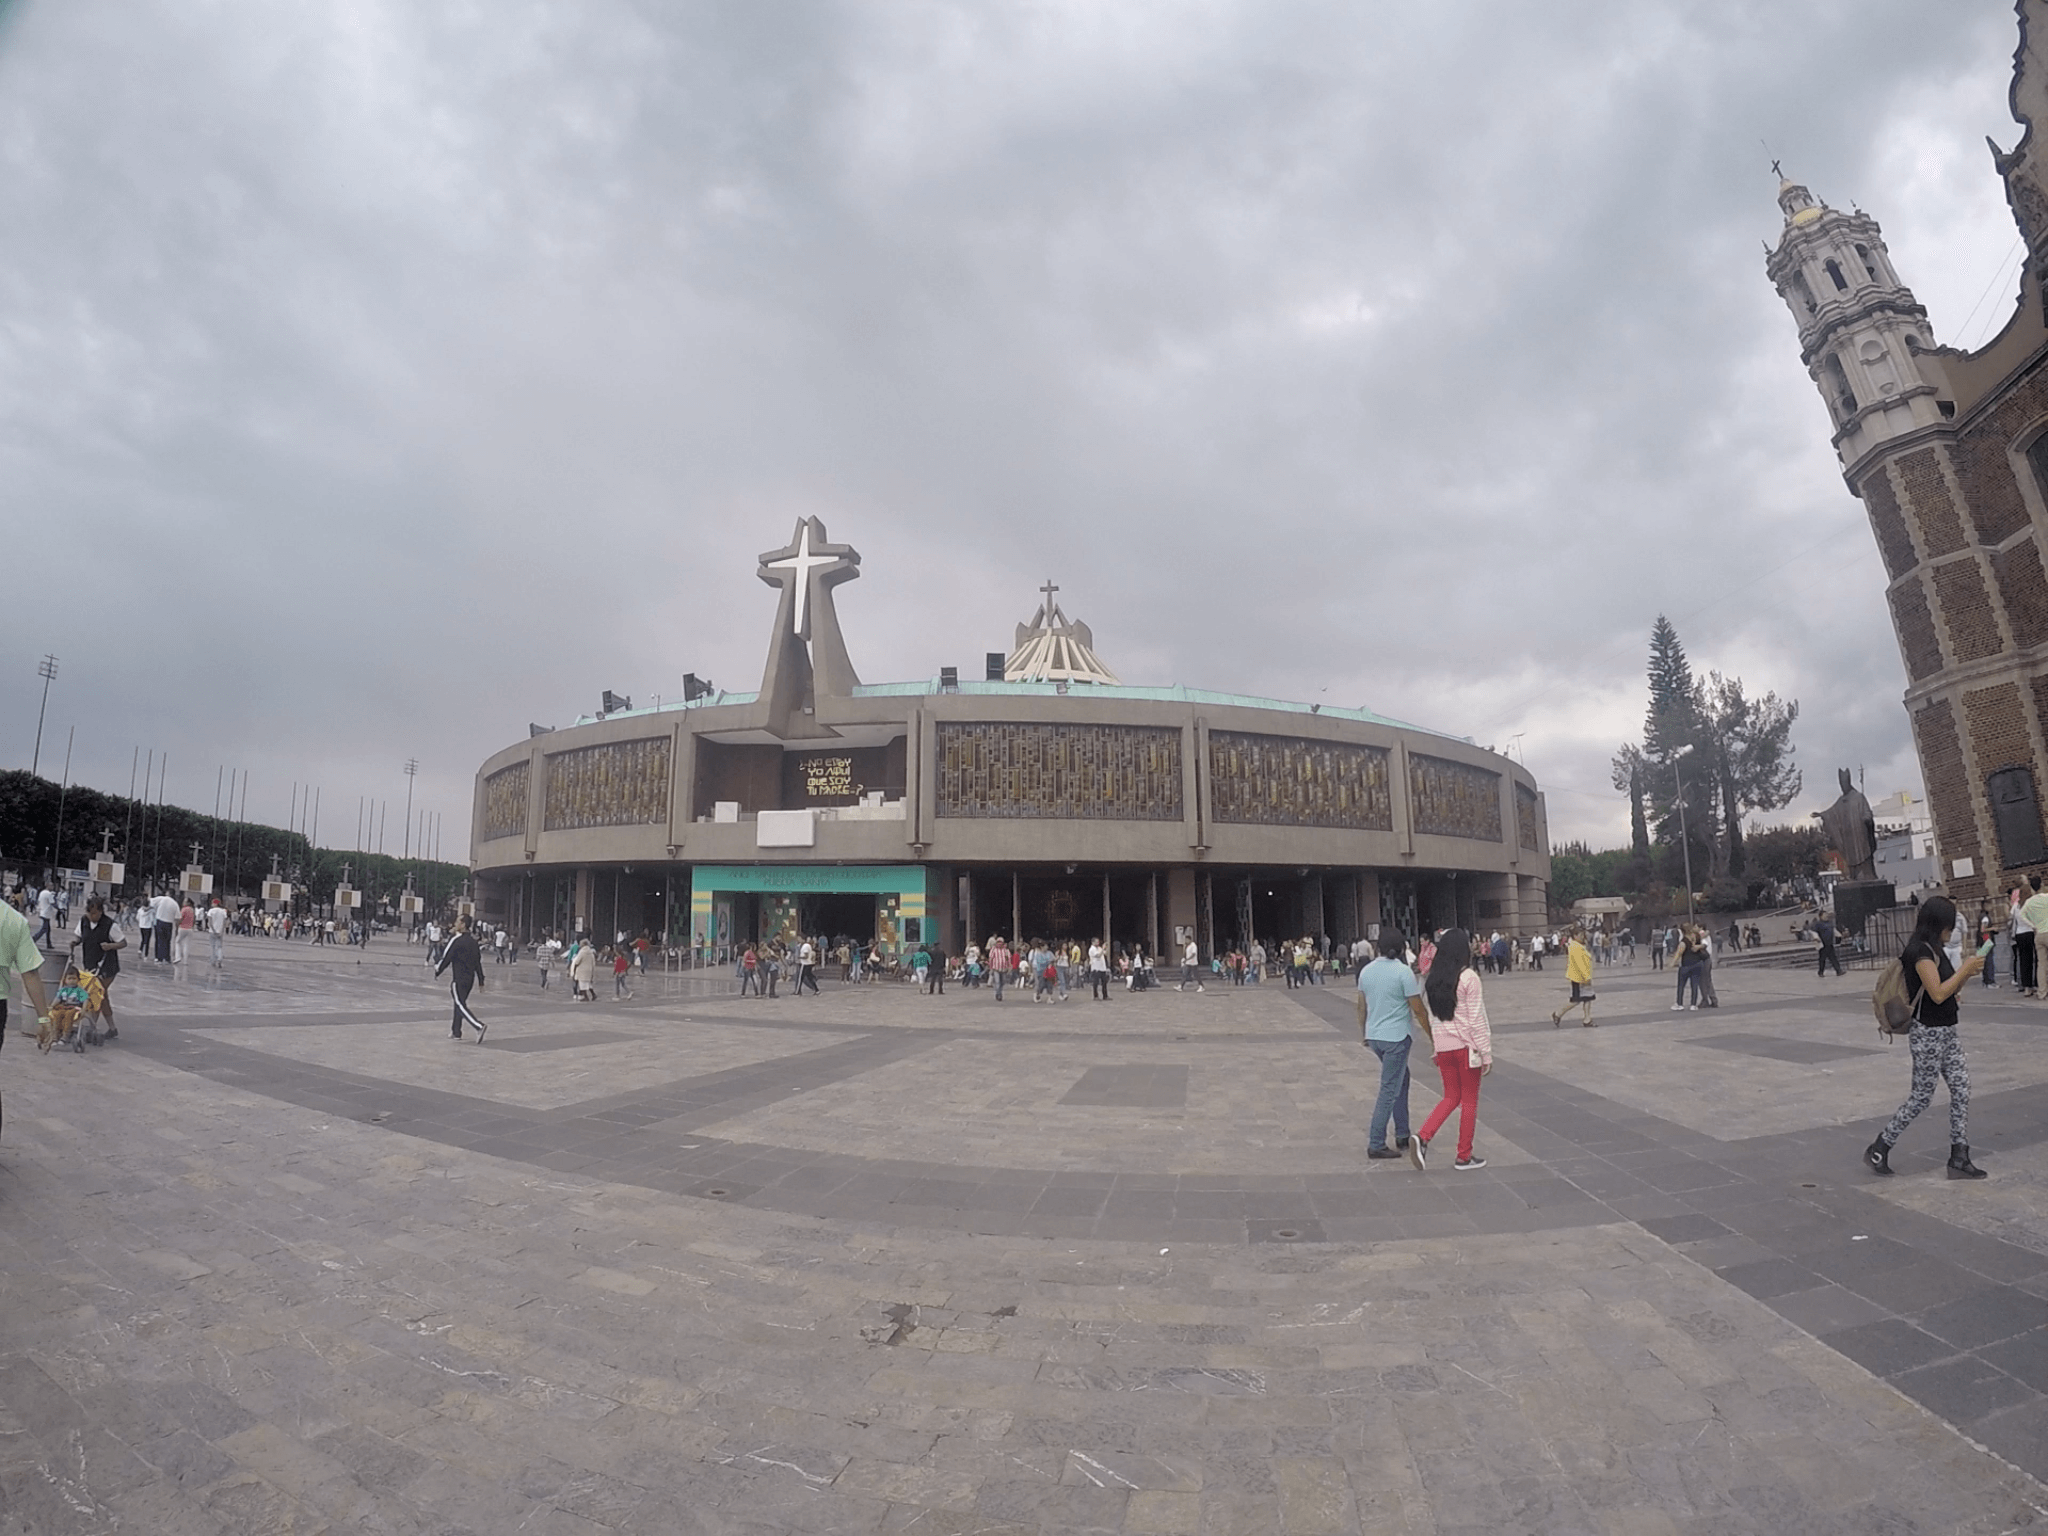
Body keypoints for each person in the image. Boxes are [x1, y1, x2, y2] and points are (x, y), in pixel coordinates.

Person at [1865, 895, 1987, 1179]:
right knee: (1921, 1097)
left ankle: (1959, 1154)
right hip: (1928, 1034)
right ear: (1937, 924)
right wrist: (1965, 970)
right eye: (1948, 925)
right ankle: (1880, 1146)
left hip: (1947, 1030)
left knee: (1961, 1089)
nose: (1951, 931)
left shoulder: (1935, 948)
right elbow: (1937, 992)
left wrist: (1961, 982)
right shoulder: (1919, 951)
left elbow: (1945, 991)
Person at [1414, 928, 1492, 1170]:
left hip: (1444, 1047)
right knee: (1469, 1101)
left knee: (1450, 1096)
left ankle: (1423, 1136)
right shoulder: (1469, 978)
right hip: (1466, 1048)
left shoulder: (1433, 979)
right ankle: (1463, 1155)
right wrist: (1486, 1052)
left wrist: (1437, 1048)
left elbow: (1434, 1018)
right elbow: (1476, 1018)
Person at [1357, 930, 1429, 1162]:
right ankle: (1376, 1142)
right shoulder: (1402, 972)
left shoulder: (1366, 971)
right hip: (1396, 1037)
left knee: (1401, 1078)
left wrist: (1365, 1033)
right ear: (1400, 949)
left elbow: (1361, 1007)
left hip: (1376, 1036)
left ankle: (1402, 1132)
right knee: (1389, 1088)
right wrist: (1432, 1035)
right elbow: (1417, 1008)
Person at [67, 895, 125, 1041]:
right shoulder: (84, 922)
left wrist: (110, 946)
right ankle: (111, 1028)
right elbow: (79, 937)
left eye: (94, 913)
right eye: (89, 913)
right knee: (101, 996)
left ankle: (92, 1027)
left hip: (106, 966)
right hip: (90, 964)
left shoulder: (109, 924)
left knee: (97, 993)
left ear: (100, 912)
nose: (91, 916)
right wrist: (75, 942)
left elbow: (123, 942)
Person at [434, 915, 487, 1041]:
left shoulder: (456, 940)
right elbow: (477, 963)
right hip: (470, 980)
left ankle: (478, 1026)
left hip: (458, 979)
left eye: (458, 921)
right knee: (459, 1004)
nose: (455, 923)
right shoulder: (474, 942)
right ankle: (456, 1031)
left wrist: (437, 971)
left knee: (460, 1004)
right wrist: (481, 980)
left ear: (463, 925)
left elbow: (447, 958)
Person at [1551, 928, 1596, 1027]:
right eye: (1580, 935)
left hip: (1583, 977)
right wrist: (1586, 977)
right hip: (1579, 978)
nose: (1582, 937)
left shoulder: (1580, 946)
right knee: (1575, 1000)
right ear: (1575, 936)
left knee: (1588, 998)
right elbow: (1580, 964)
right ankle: (1558, 1013)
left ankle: (1587, 1019)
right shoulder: (1575, 947)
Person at [2012, 881, 2038, 999]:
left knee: (2024, 961)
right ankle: (2036, 984)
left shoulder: (2016, 905)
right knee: (2036, 959)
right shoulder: (2030, 904)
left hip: (2019, 933)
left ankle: (2027, 986)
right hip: (2030, 932)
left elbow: (2011, 917)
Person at [1671, 927, 1705, 1011]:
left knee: (1681, 985)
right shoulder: (1696, 938)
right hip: (1697, 964)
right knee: (1694, 985)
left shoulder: (1684, 941)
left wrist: (1672, 963)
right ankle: (1693, 1004)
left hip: (1686, 965)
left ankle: (1679, 1003)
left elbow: (1679, 953)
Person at [152, 889, 179, 963]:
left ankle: (158, 957)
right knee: (167, 941)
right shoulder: (175, 903)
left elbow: (150, 902)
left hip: (160, 921)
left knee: (159, 940)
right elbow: (177, 917)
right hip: (169, 923)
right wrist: (176, 928)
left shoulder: (161, 899)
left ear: (168, 893)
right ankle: (167, 957)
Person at [1815, 913, 1843, 977]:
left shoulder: (1830, 923)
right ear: (1820, 916)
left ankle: (1838, 971)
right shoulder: (1818, 924)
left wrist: (1839, 935)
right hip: (1823, 944)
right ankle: (1821, 971)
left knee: (1833, 958)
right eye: (1824, 915)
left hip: (1829, 943)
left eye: (1826, 915)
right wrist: (1816, 939)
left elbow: (1834, 930)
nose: (1826, 916)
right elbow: (1815, 933)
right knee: (1822, 959)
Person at [204, 897, 228, 967]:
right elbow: (224, 922)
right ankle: (219, 959)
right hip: (220, 931)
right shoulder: (223, 911)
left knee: (213, 946)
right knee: (219, 946)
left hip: (212, 931)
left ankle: (213, 960)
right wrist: (221, 930)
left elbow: (210, 922)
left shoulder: (211, 911)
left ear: (215, 903)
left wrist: (213, 930)